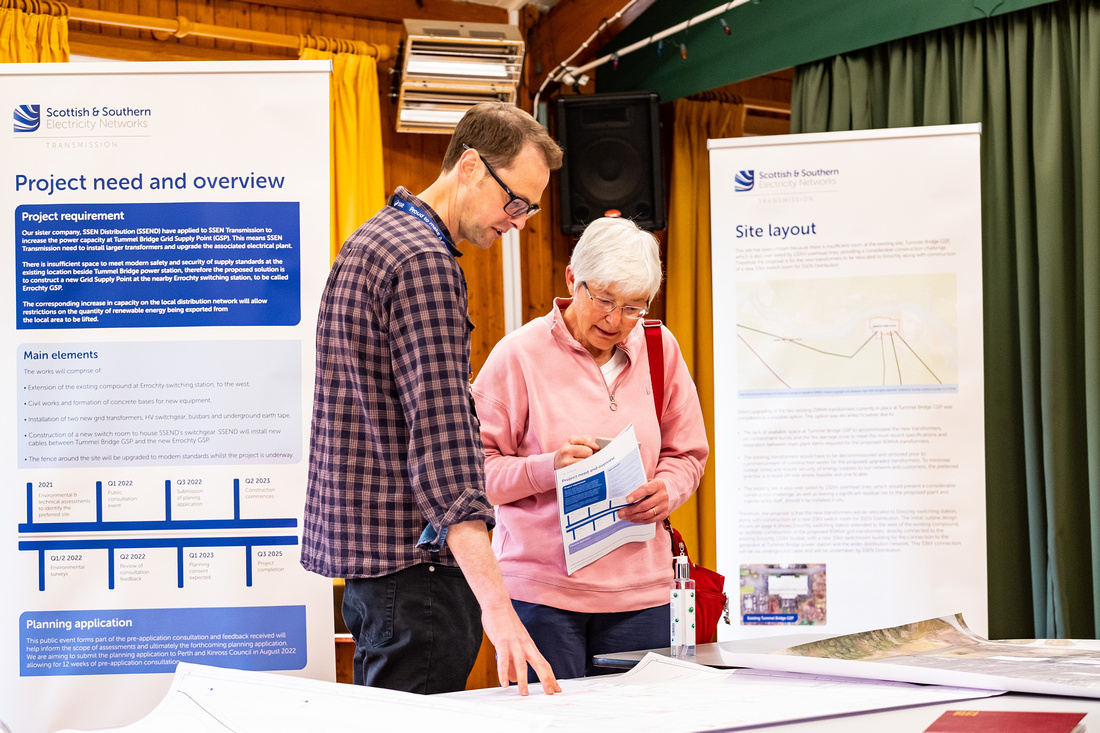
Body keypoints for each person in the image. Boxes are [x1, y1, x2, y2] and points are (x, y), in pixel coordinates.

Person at [300, 102, 563, 696]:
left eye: (531, 209)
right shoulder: (425, 262)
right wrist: (498, 608)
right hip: (417, 572)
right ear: (470, 167)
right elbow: (442, 443)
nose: (519, 221)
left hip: (378, 572)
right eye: (515, 201)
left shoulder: (377, 237)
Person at [471, 216, 709, 681]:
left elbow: (687, 454)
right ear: (571, 280)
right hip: (541, 596)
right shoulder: (517, 356)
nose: (615, 320)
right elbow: (473, 476)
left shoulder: (661, 349)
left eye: (633, 307)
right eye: (604, 300)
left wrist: (668, 489)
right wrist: (548, 467)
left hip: (643, 596)